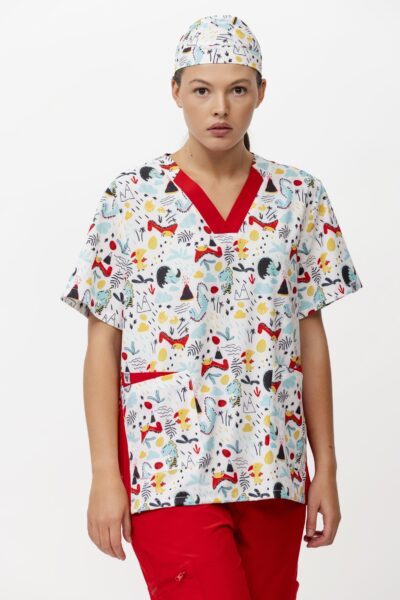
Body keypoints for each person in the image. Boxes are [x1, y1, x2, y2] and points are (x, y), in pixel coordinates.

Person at [60, 14, 364, 600]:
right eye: (202, 90)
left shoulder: (299, 196)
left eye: (237, 89)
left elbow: (311, 339)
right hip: (167, 465)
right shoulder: (132, 198)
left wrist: (325, 467)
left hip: (274, 464)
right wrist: (104, 475)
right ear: (176, 91)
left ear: (261, 93)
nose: (219, 108)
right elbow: (102, 343)